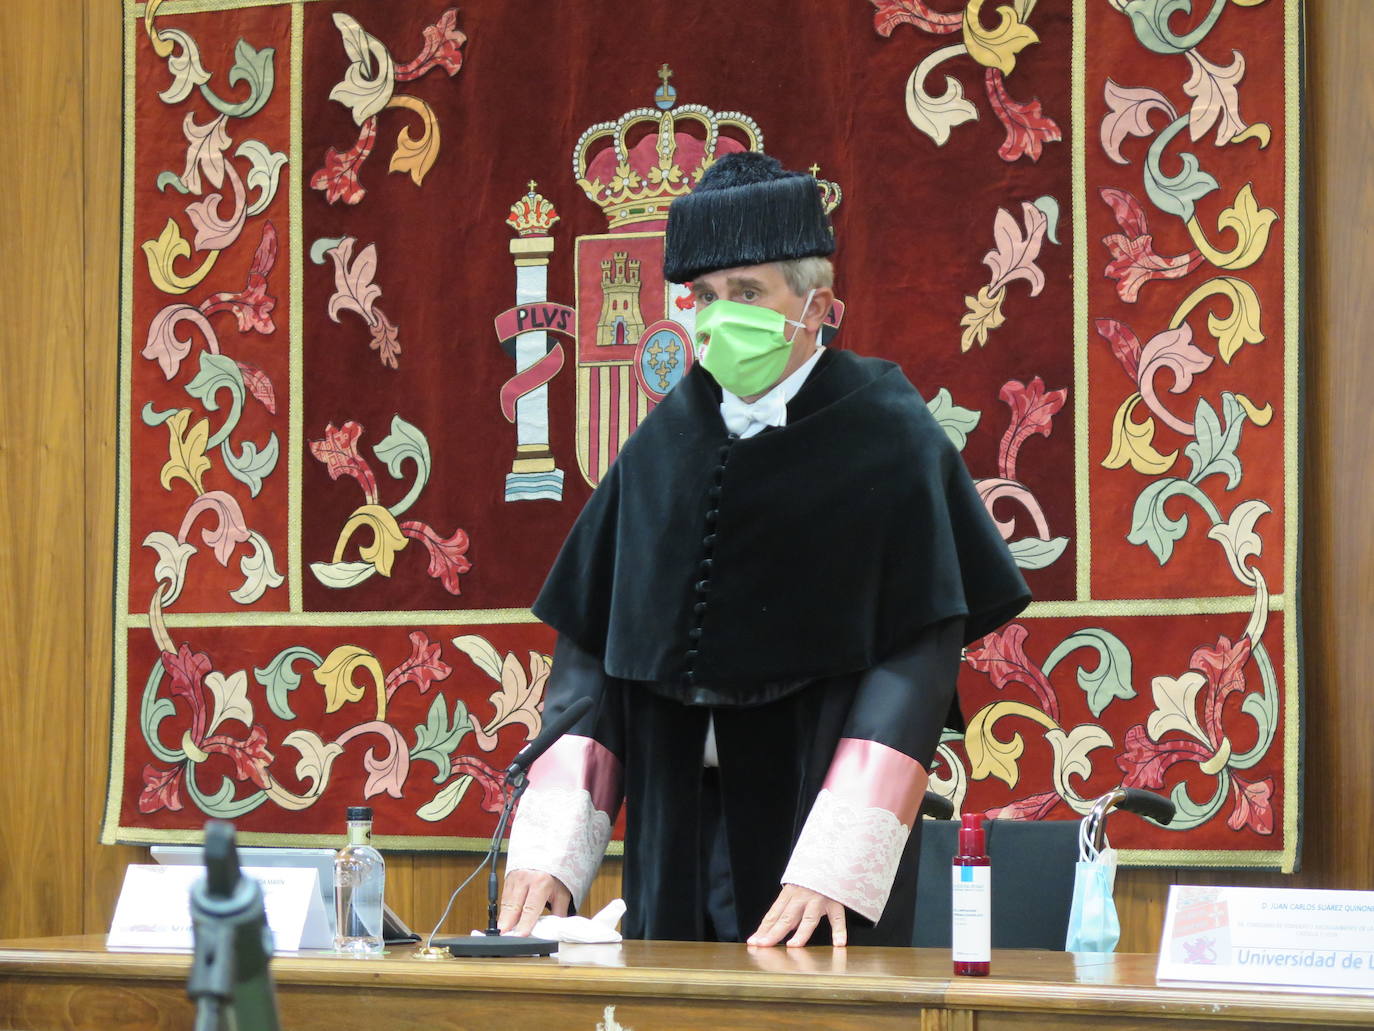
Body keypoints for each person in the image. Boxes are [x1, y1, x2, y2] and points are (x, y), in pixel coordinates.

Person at [497, 151, 1030, 947]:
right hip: (674, 829)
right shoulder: (659, 447)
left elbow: (915, 662)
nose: (717, 319)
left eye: (746, 293)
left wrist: (837, 858)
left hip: (814, 839)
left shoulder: (888, 435)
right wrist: (553, 849)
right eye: (704, 297)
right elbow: (596, 651)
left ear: (816, 307)